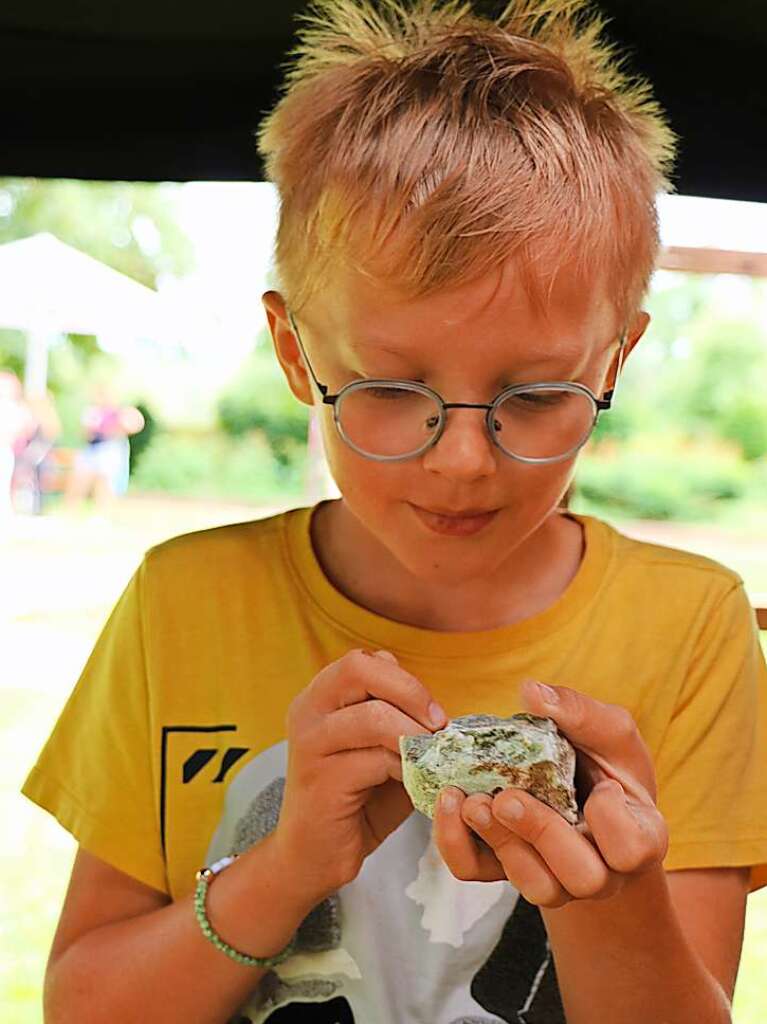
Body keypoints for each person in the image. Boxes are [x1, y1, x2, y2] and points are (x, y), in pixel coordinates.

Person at [21, 2, 766, 1023]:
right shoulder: (181, 601)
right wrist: (284, 867)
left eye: (535, 396)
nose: (462, 461)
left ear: (614, 360)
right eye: (389, 389)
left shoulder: (689, 626)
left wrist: (606, 895)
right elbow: (83, 1007)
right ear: (296, 354)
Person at [63, 382, 145, 510]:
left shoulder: (120, 412)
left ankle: (103, 514)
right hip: (93, 449)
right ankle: (70, 510)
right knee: (79, 480)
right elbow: (85, 433)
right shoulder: (92, 412)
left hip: (109, 450)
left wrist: (115, 429)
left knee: (105, 483)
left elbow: (135, 424)